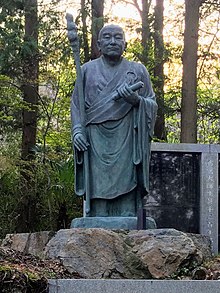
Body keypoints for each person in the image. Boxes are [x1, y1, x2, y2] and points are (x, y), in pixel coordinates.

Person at [71, 24, 157, 217]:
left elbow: (151, 102)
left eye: (118, 37)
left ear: (125, 44)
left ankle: (128, 212)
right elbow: (76, 105)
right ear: (99, 44)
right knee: (98, 183)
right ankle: (97, 214)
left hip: (127, 134)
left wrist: (136, 101)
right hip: (95, 137)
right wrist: (77, 130)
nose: (112, 41)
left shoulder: (137, 70)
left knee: (127, 178)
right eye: (107, 37)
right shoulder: (85, 70)